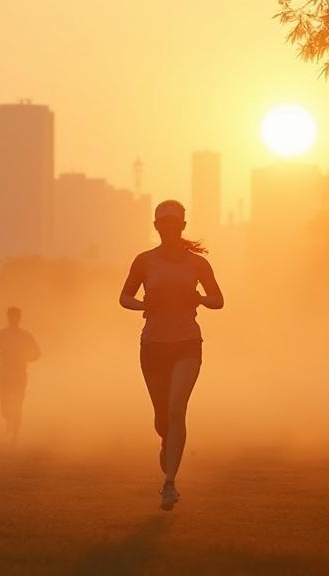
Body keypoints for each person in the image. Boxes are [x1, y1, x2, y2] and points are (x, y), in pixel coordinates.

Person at [119, 200, 223, 510]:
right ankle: (167, 440)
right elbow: (125, 296)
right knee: (163, 417)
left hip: (187, 343)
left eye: (174, 224)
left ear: (182, 227)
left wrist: (200, 298)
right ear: (156, 227)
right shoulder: (144, 261)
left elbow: (218, 299)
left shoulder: (198, 264)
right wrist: (143, 306)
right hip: (153, 345)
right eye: (163, 224)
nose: (169, 228)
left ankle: (169, 484)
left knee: (177, 408)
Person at [0, 306, 41, 444]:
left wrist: (30, 358)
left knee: (18, 405)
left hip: (19, 375)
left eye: (16, 316)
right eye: (11, 316)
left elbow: (37, 352)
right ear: (8, 317)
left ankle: (15, 436)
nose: (13, 319)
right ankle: (9, 420)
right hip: (4, 375)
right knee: (4, 408)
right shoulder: (1, 334)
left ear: (19, 318)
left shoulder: (26, 335)